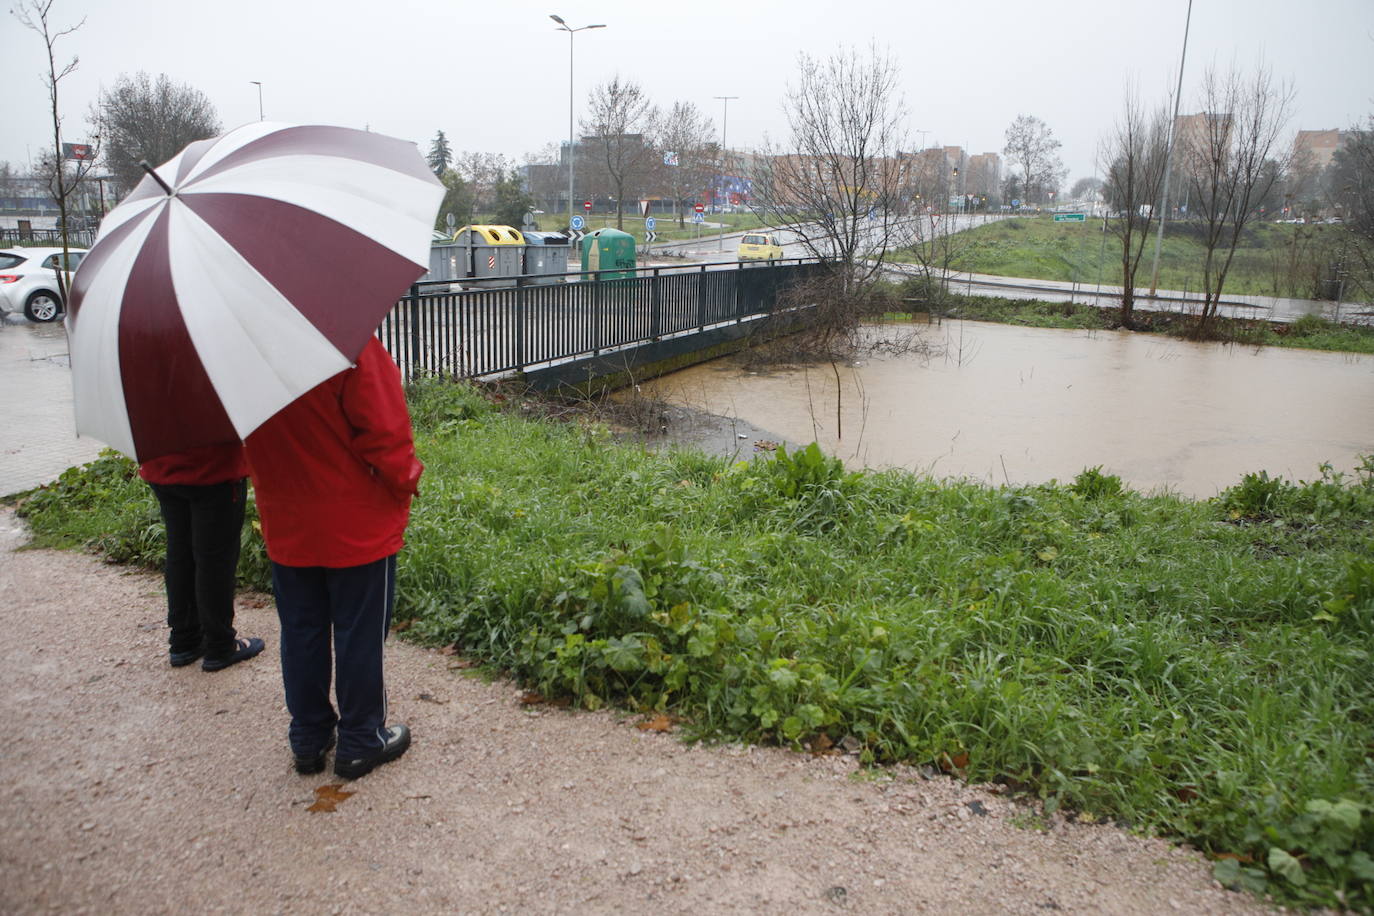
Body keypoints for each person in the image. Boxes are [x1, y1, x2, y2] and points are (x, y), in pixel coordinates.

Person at [243, 336, 422, 780]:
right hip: (354, 523)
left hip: (286, 519)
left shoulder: (243, 350)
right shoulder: (348, 342)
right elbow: (386, 434)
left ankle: (308, 736)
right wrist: (406, 482)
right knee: (359, 632)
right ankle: (362, 738)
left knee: (301, 630)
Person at [140, 443, 265, 672]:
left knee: (179, 553)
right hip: (214, 467)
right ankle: (220, 645)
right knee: (215, 560)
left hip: (161, 463)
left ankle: (184, 641)